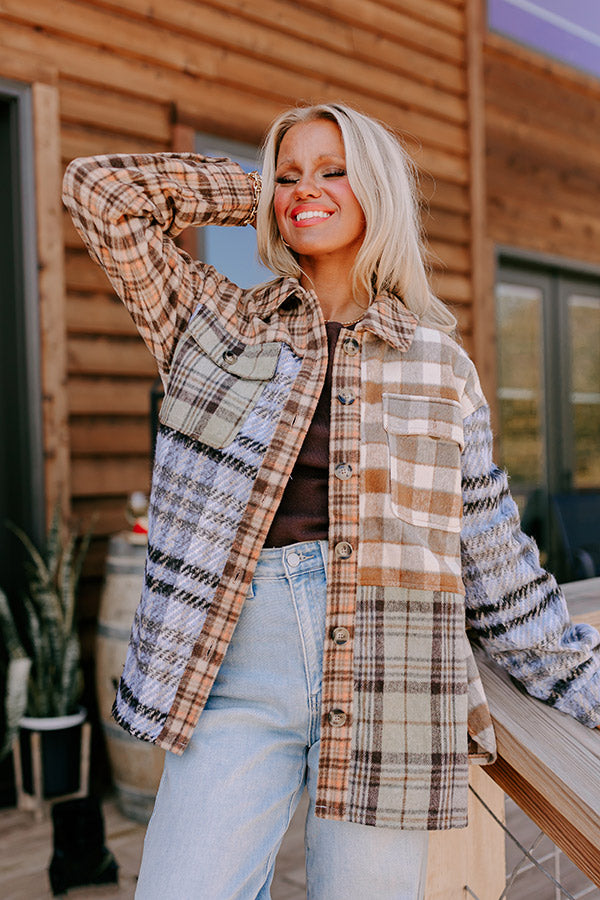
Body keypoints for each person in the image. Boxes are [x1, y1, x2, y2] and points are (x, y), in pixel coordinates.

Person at [62, 102, 600, 900]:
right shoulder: (212, 323)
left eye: (333, 169)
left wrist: (588, 686)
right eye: (291, 172)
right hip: (234, 666)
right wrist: (262, 194)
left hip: (393, 678)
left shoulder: (440, 368)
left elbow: (499, 570)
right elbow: (100, 194)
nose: (304, 187)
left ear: (379, 188)